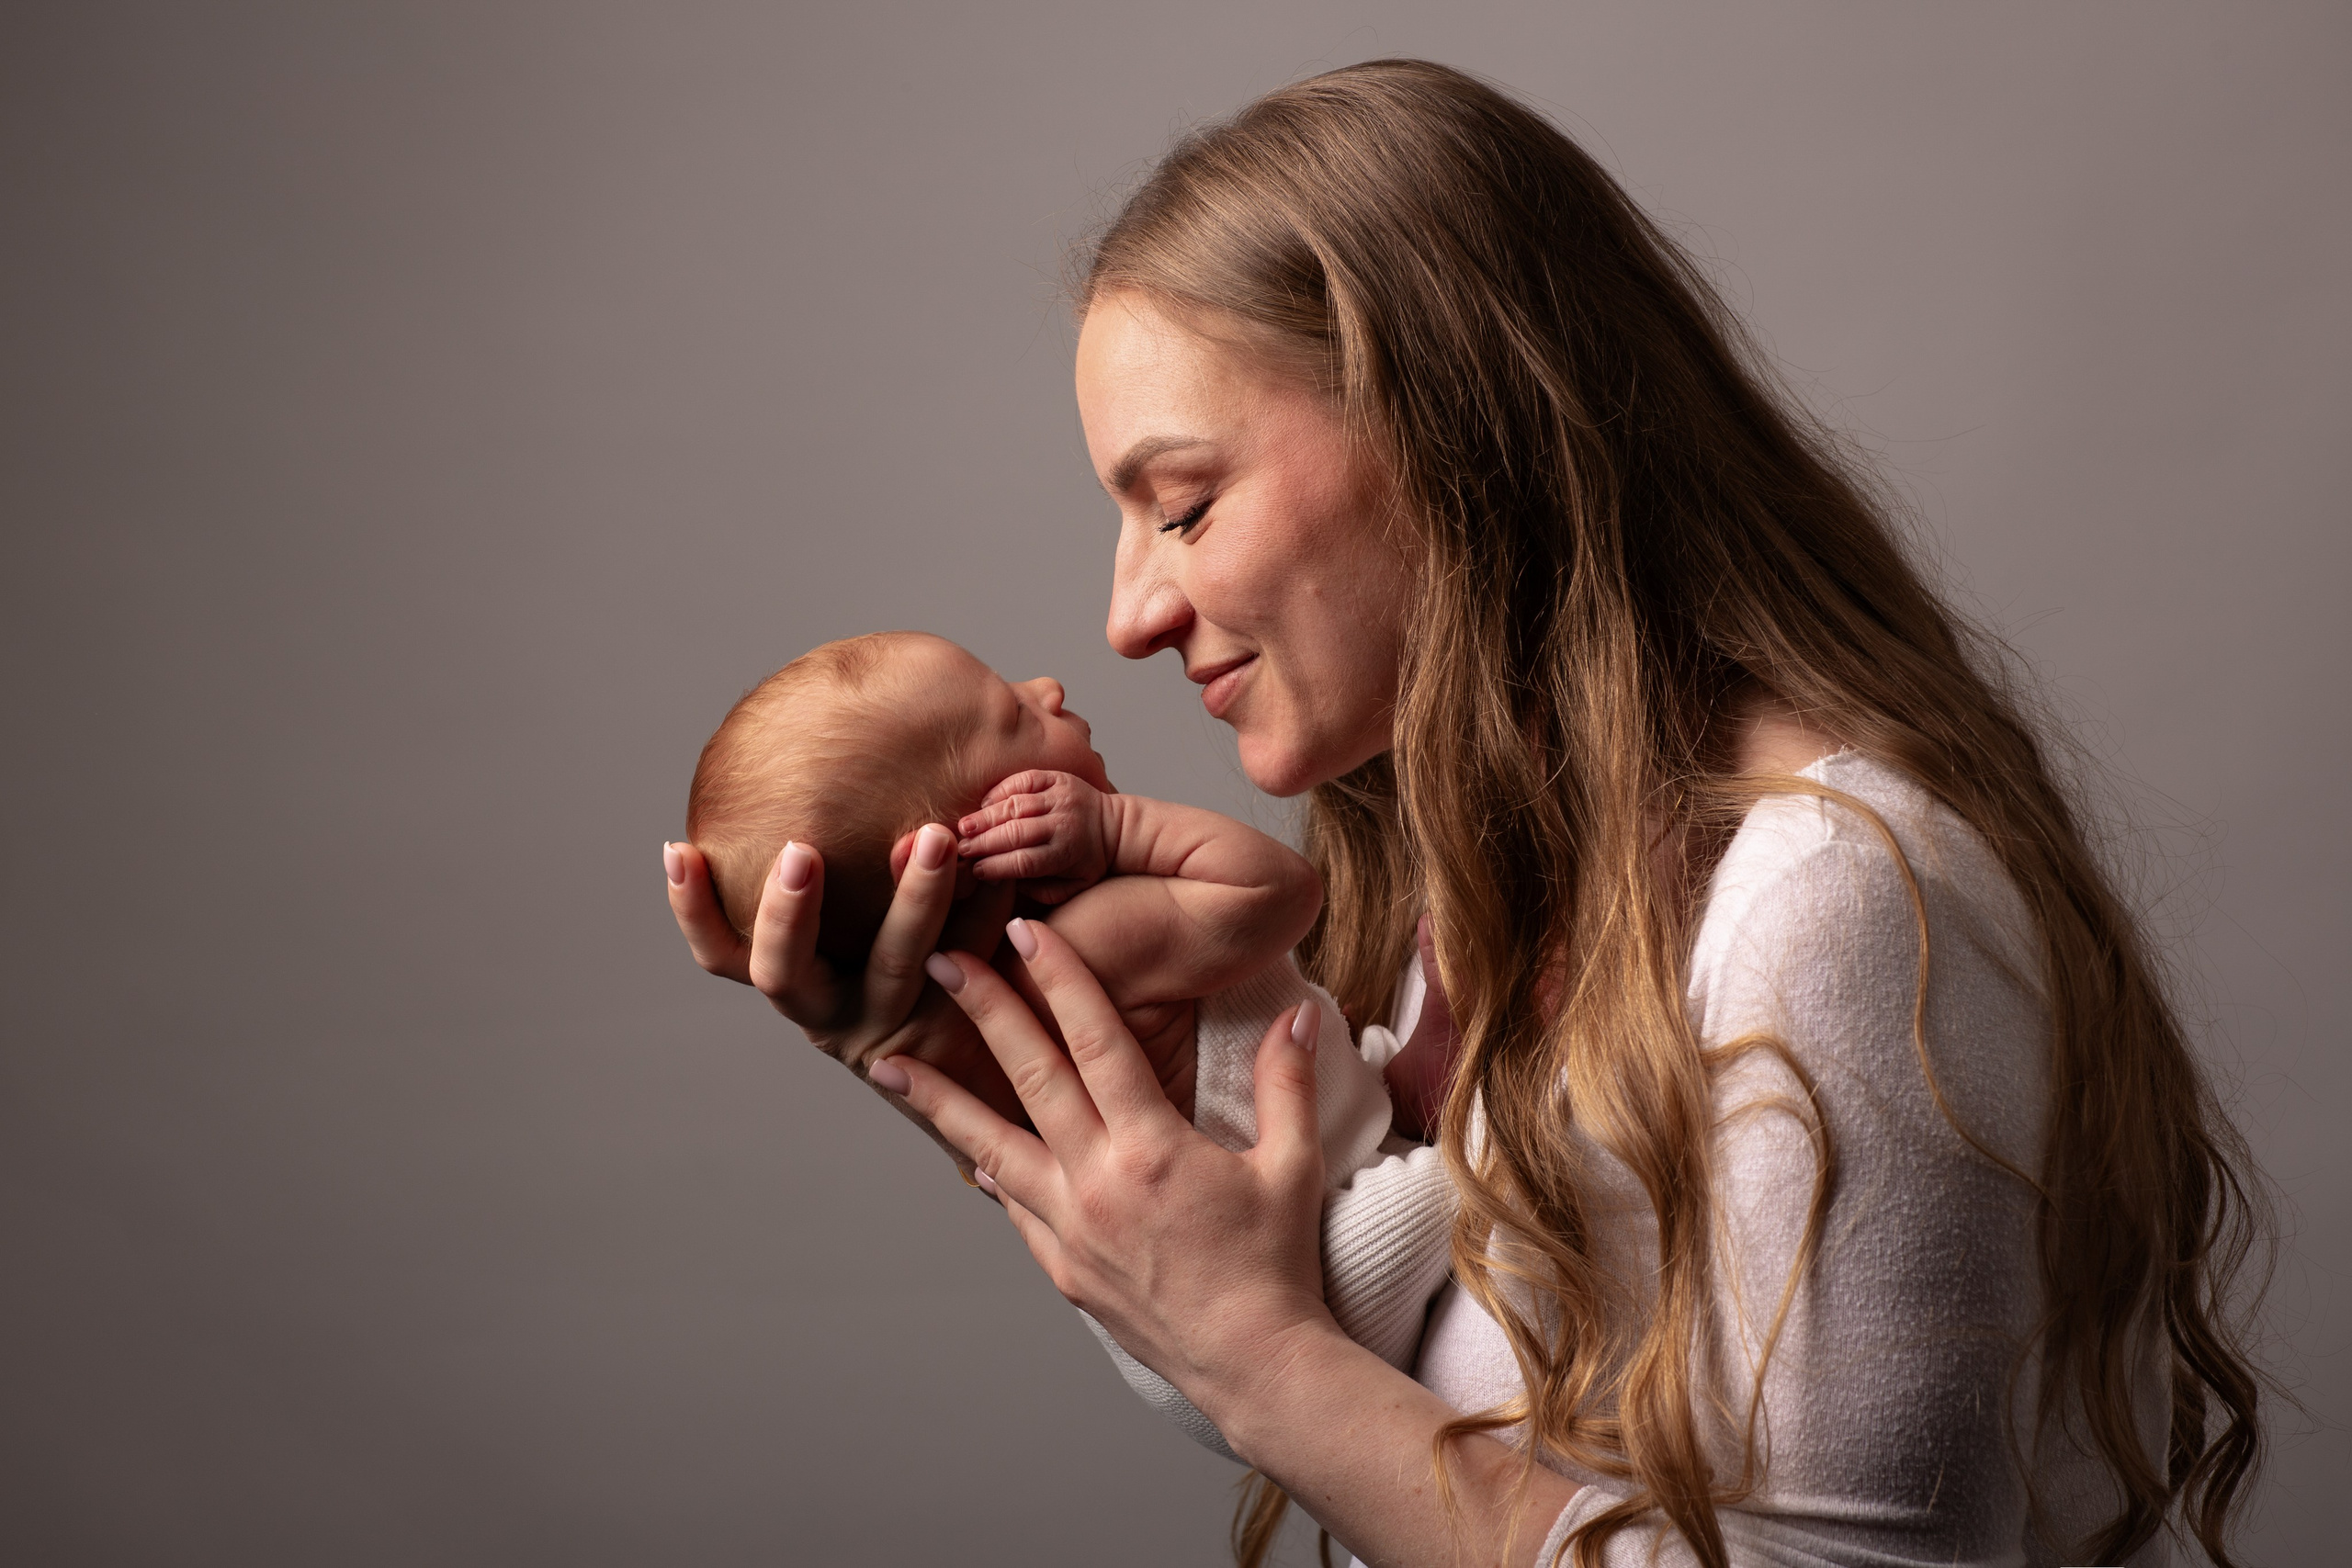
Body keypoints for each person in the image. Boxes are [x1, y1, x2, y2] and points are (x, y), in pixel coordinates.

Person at [665, 60, 2268, 1568]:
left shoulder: (1829, 896)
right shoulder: (1476, 883)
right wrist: (970, 1053)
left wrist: (1257, 1362)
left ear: (1452, 426)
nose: (1127, 615)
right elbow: (1338, 1350)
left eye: (1184, 502)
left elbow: (1286, 1368)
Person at [678, 630, 1458, 1445]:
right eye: (1013, 713)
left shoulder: (978, 1019)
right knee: (1451, 1193)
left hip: (1176, 1330)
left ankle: (1403, 1096)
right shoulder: (1087, 945)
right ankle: (1466, 1162)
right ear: (975, 837)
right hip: (1323, 1280)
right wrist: (1116, 827)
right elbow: (1281, 892)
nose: (1048, 687)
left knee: (1351, 1076)